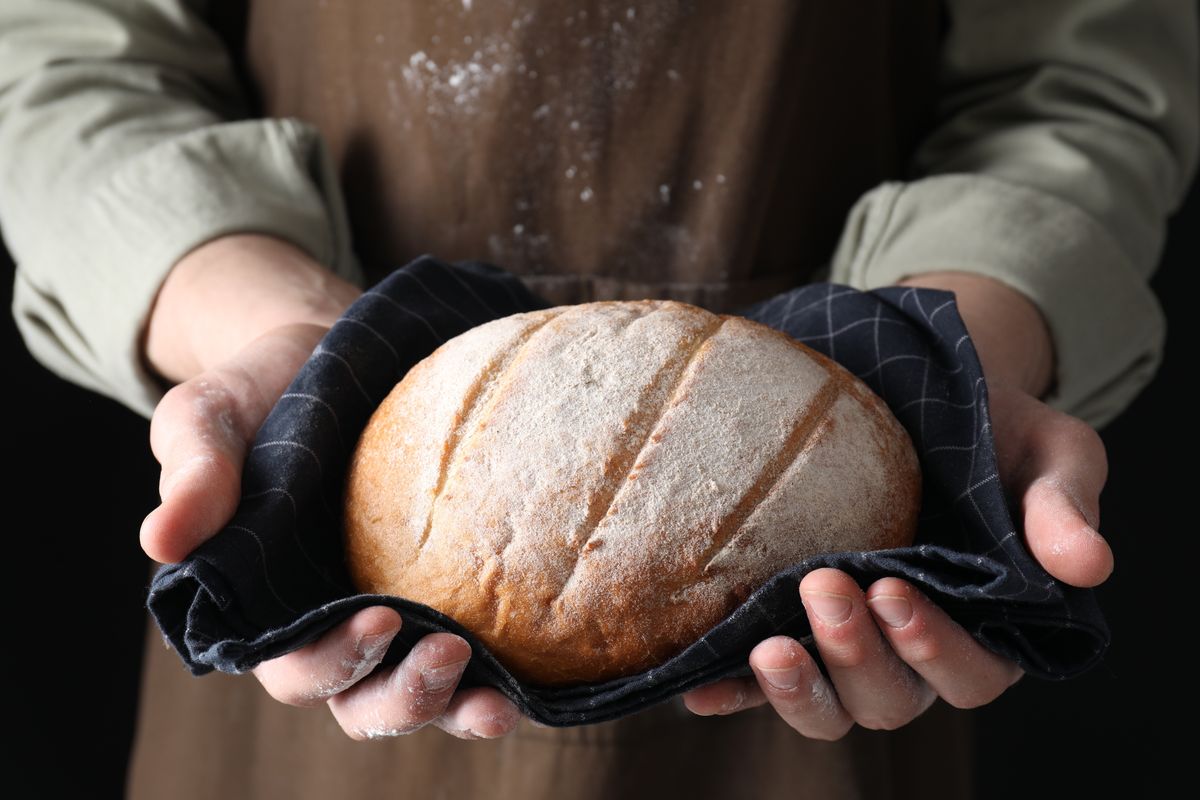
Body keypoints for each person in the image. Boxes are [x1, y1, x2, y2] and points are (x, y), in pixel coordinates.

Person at [1, 1, 1195, 797]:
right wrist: (273, 324)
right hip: (328, 601)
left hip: (844, 648)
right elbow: (64, 53)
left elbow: (1078, 74)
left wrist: (961, 342)